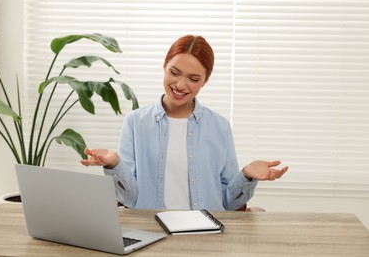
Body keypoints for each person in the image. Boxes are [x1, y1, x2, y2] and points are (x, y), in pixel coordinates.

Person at [80, 35, 289, 211]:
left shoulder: (220, 127)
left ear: (205, 81)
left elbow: (227, 202)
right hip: (151, 232)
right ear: (164, 67)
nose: (180, 85)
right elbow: (131, 199)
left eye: (194, 79)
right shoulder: (135, 123)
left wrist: (246, 174)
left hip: (205, 234)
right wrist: (114, 163)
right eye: (174, 72)